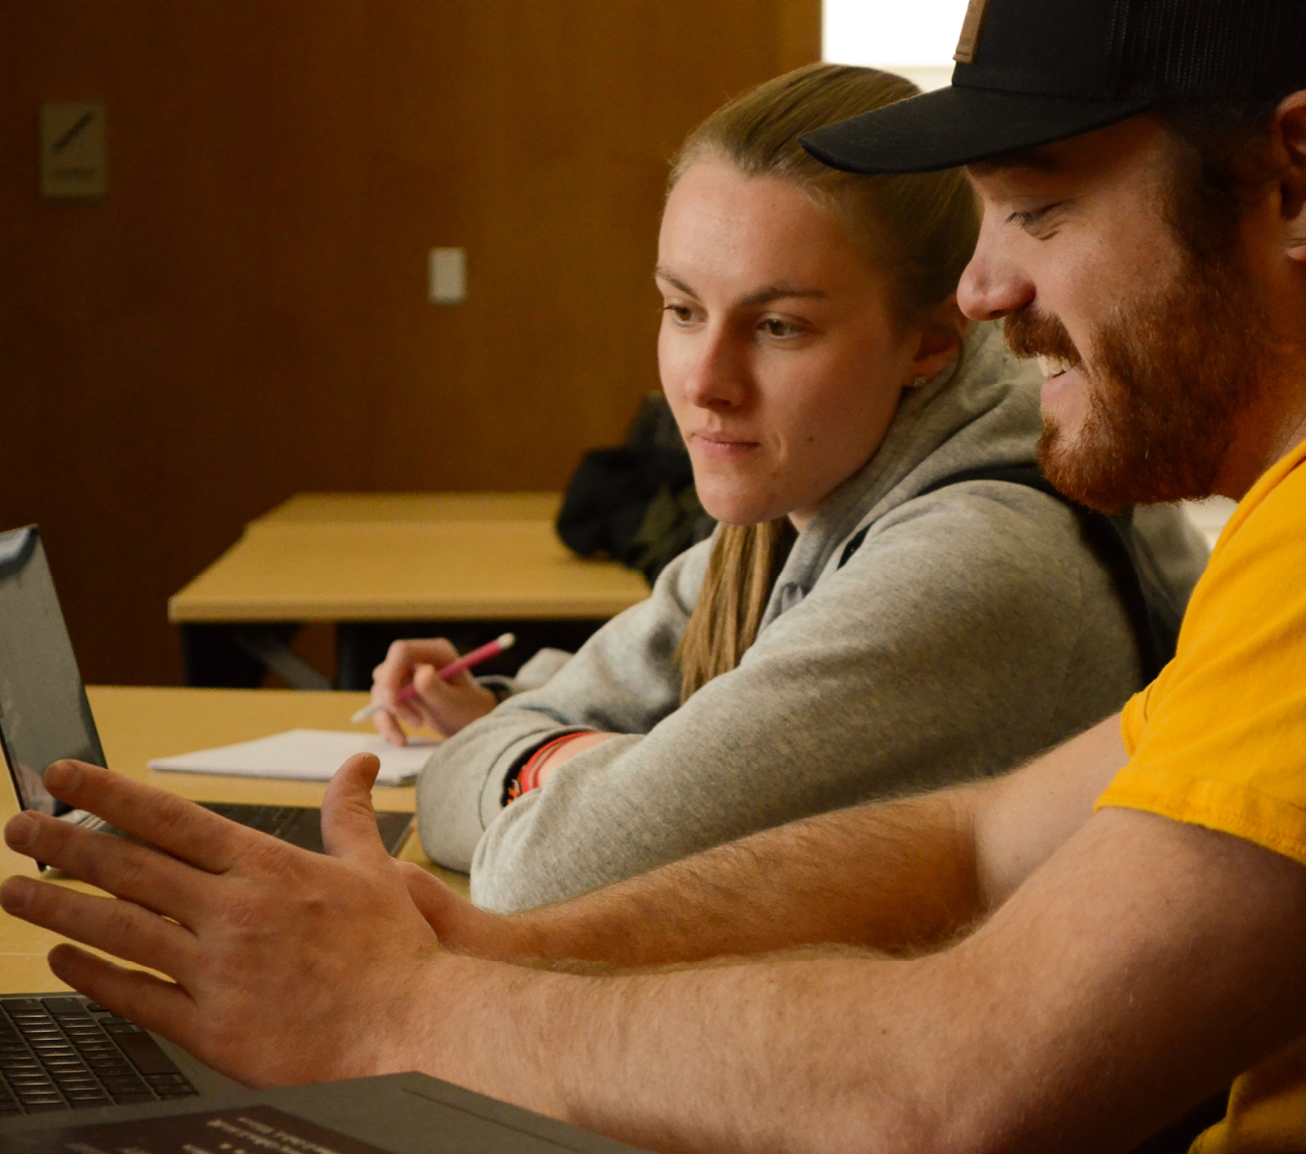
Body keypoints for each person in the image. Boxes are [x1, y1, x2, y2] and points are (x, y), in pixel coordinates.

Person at [7, 1, 1306, 1151]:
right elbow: (970, 844)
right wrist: (483, 951)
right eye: (678, 306)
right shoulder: (1270, 539)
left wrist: (402, 1002)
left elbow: (949, 1087)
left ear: (1291, 185)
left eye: (1040, 205)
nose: (983, 286)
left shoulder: (1127, 557)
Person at [371, 64, 1204, 911]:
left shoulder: (976, 562)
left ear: (929, 345)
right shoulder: (800, 493)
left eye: (779, 327)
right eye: (683, 309)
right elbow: (503, 758)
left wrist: (559, 766)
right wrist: (541, 739)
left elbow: (543, 872)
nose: (703, 383)